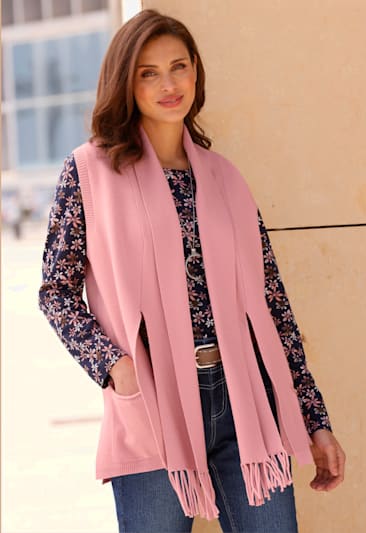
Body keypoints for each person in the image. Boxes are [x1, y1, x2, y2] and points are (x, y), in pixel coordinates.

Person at [38, 8, 345, 533]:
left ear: (196, 72)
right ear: (126, 82)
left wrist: (315, 419)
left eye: (178, 67)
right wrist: (115, 367)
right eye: (149, 73)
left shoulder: (225, 178)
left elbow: (273, 305)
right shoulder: (89, 172)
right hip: (151, 403)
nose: (168, 85)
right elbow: (56, 292)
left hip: (245, 399)